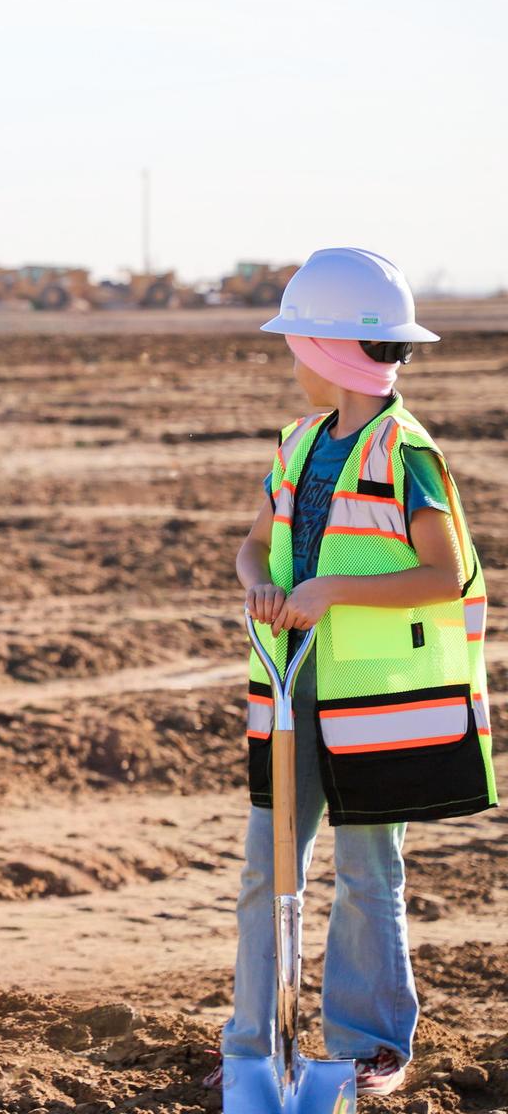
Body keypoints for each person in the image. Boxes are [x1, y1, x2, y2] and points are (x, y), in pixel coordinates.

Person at [217, 248, 494, 1099]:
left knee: (370, 872)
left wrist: (333, 588)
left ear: (329, 348)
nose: (292, 359)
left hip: (377, 702)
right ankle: (256, 1043)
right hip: (294, 684)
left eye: (297, 342)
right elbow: (253, 543)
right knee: (271, 866)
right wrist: (262, 583)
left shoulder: (407, 451)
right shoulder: (298, 442)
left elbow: (443, 574)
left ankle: (372, 1041)